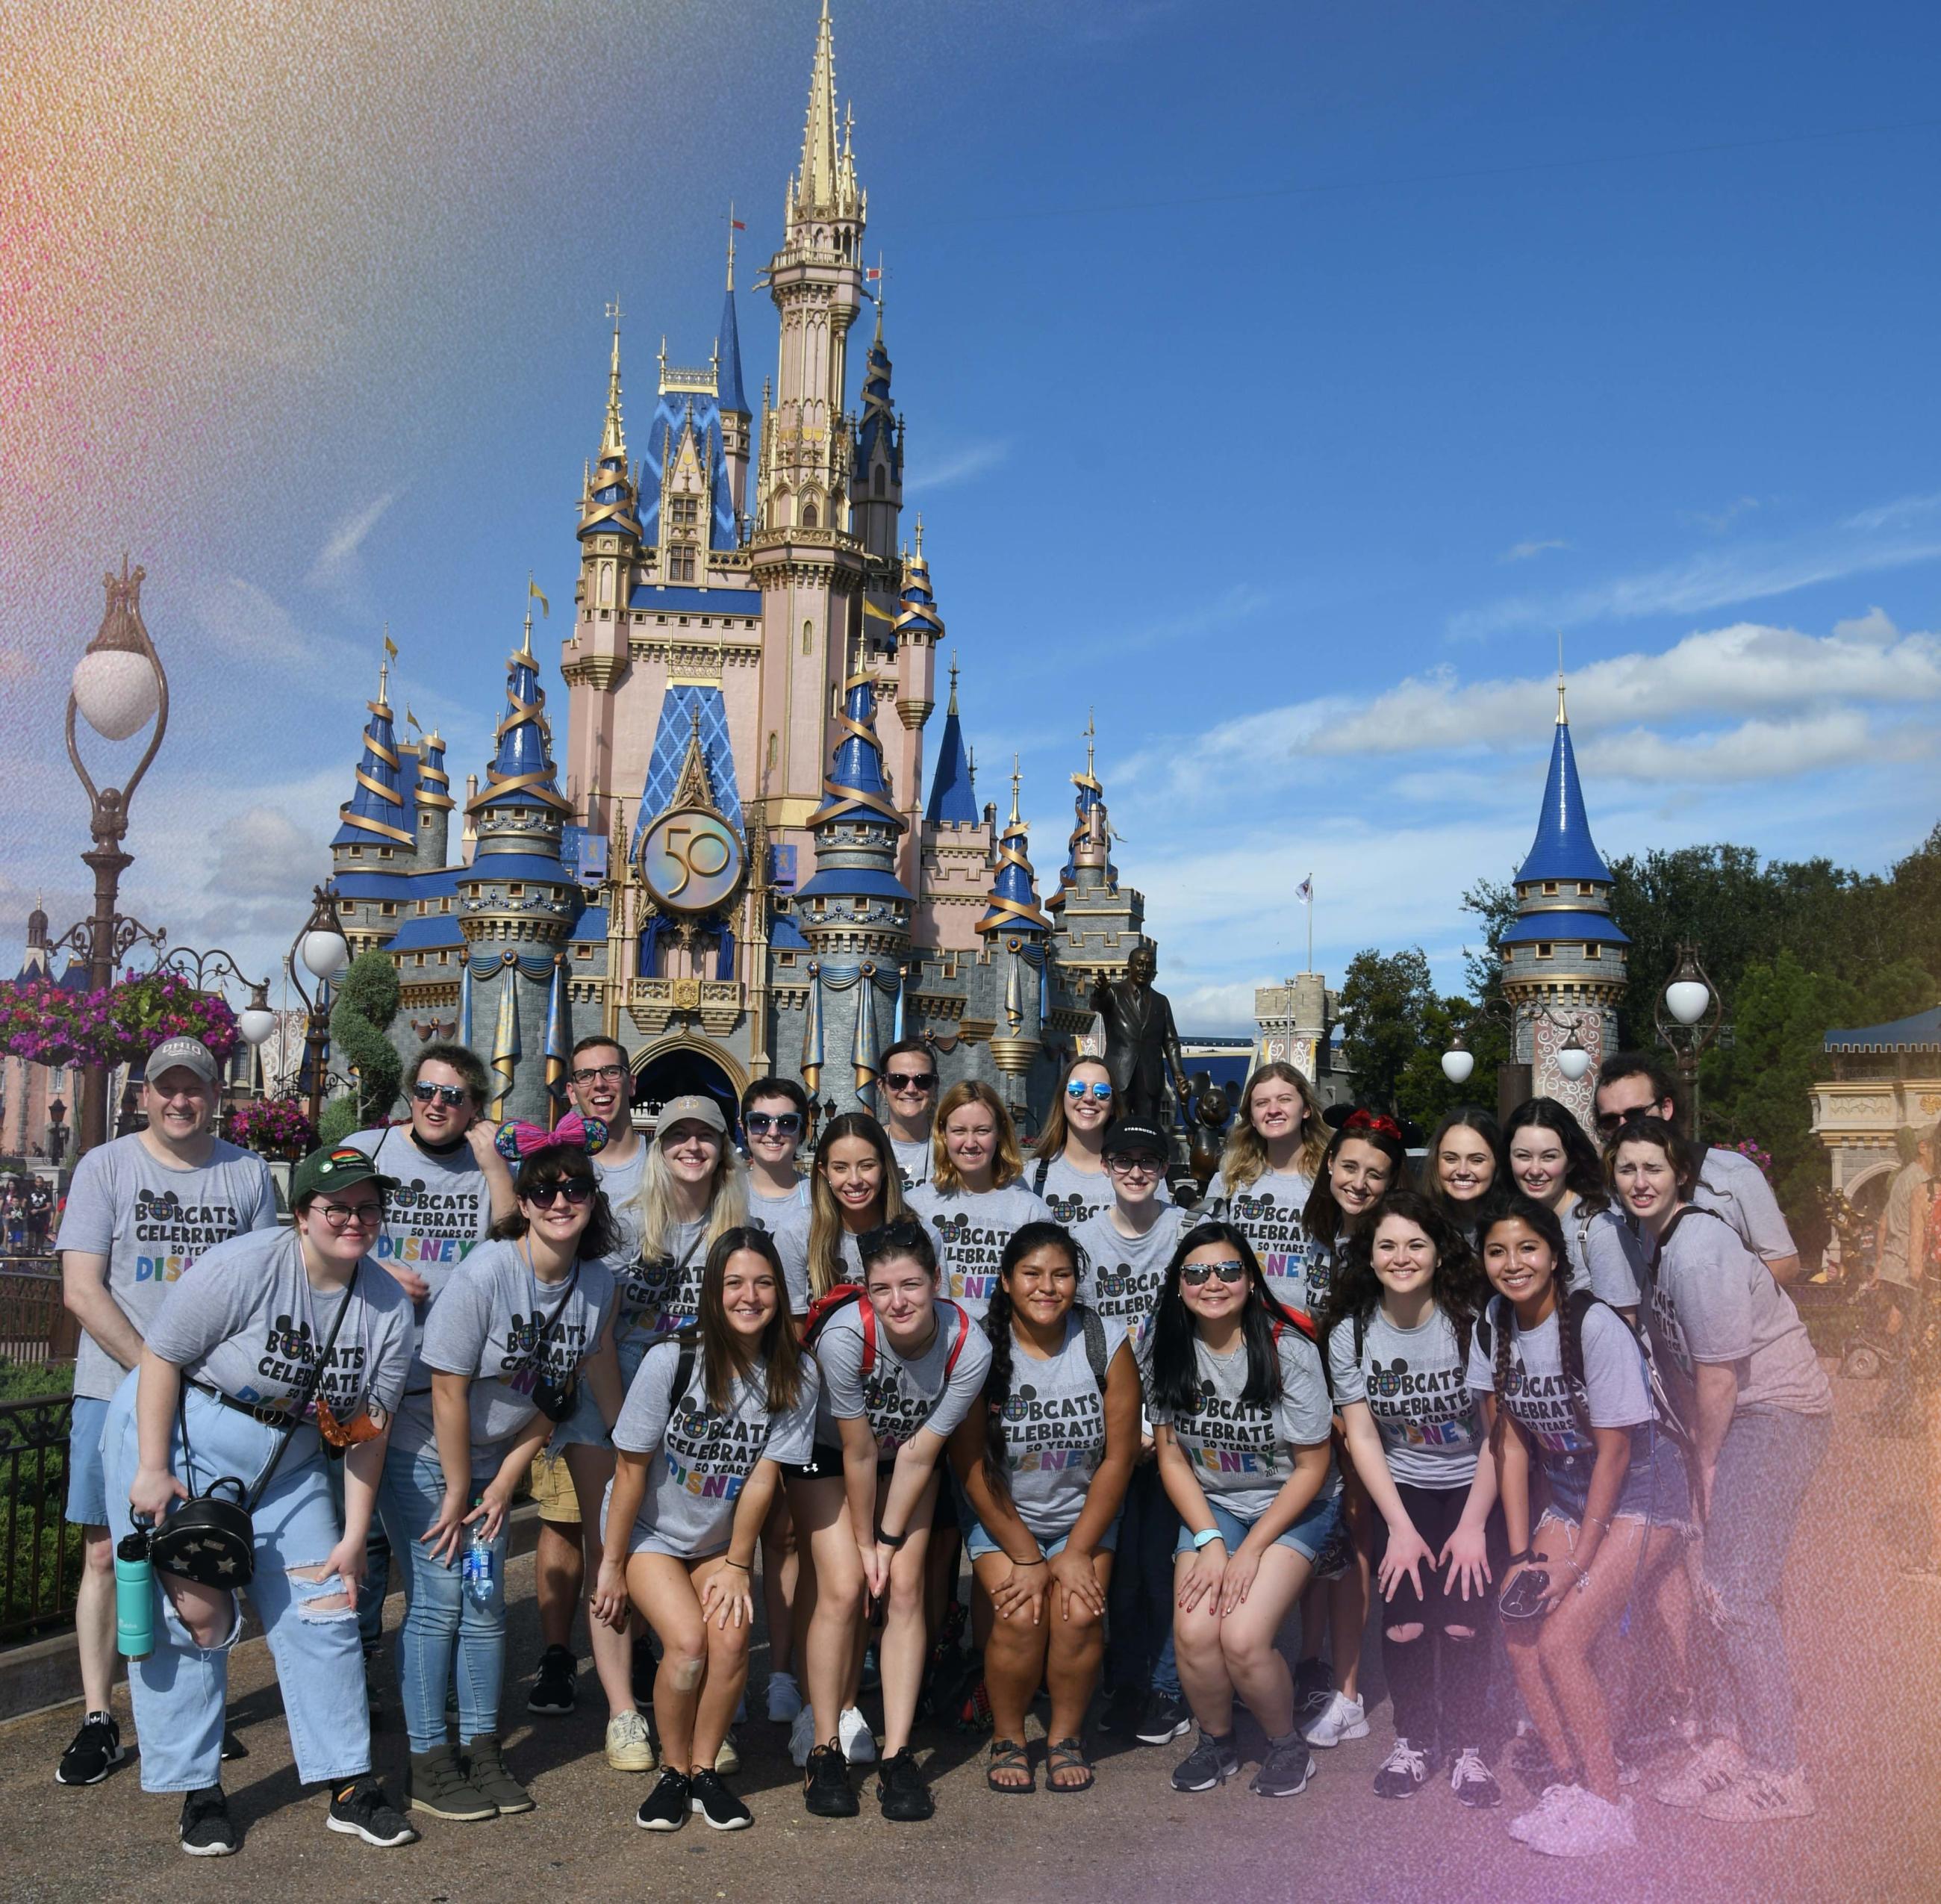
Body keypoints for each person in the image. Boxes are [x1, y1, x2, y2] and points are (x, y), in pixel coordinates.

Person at [105, 1142, 417, 1855]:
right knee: (197, 1621)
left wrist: (355, 1536)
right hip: (188, 1438)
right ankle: (199, 1788)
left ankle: (348, 1782)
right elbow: (162, 1356)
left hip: (289, 1461)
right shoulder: (249, 1263)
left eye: (368, 1207)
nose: (353, 1220)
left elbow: (369, 1428)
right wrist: (153, 1468)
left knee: (327, 1607)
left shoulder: (387, 1305)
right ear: (303, 1213)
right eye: (336, 1206)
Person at [380, 1122, 623, 1821]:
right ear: (522, 1200)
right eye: (543, 1189)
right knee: (439, 1601)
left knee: (484, 1606)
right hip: (427, 1458)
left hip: (492, 1465)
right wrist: (461, 1488)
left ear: (591, 1200)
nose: (559, 1201)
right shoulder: (488, 1271)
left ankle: (482, 1751)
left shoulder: (595, 1284)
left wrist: (504, 1478)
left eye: (574, 1187)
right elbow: (449, 1387)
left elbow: (558, 1393)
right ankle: (428, 1762)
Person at [56, 1035, 278, 1788]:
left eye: (195, 1089)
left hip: (214, 1404)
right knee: (106, 1555)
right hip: (112, 1386)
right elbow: (82, 1290)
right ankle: (98, 1713)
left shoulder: (247, 1174)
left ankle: (194, 1716)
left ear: (216, 1096)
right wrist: (158, 1369)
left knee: (200, 1555)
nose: (180, 1100)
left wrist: (203, 1380)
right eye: (166, 1088)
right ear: (143, 1094)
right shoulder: (106, 1167)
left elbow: (266, 1293)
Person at [1611, 1117, 1832, 1823]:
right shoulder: (1653, 1242)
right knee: (1716, 1587)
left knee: (1738, 1591)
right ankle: (1733, 1743)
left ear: (1679, 1172)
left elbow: (1719, 1376)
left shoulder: (1699, 1247)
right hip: (1738, 1418)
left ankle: (1780, 1772)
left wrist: (1705, 1463)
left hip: (1775, 1412)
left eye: (1653, 1167)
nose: (1640, 1181)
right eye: (1626, 1169)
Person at [1469, 1195, 1690, 1858]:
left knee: (1564, 1640)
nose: (1514, 1264)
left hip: (1644, 1489)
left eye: (1529, 1249)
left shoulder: (1592, 1324)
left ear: (1557, 1256)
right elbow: (1507, 1447)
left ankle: (1608, 1800)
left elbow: (1618, 1451)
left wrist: (1576, 1562)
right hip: (1569, 1489)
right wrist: (1519, 1554)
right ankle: (1570, 1780)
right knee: (1518, 1623)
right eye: (1498, 1252)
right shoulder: (1492, 1324)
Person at [592, 1228, 818, 1832]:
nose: (751, 1296)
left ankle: (703, 1772)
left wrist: (740, 1564)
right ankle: (673, 1771)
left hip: (720, 1540)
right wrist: (612, 1565)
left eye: (764, 1283)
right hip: (649, 1532)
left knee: (731, 1641)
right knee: (688, 1646)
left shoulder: (794, 1375)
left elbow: (765, 1481)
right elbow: (630, 1470)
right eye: (735, 1283)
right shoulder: (673, 1361)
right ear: (714, 1292)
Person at [549, 1092, 747, 1773]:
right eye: (676, 1137)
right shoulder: (623, 1228)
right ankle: (623, 1712)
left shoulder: (737, 1230)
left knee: (687, 1546)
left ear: (724, 1151)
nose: (691, 1147)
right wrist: (619, 1425)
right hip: (611, 1403)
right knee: (612, 1549)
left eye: (705, 1137)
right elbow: (595, 1335)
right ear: (658, 1149)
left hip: (697, 1416)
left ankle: (689, 1702)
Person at [789, 1217, 993, 1823]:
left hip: (906, 1456)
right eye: (882, 1289)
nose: (898, 1301)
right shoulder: (847, 1338)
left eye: (911, 1284)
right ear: (866, 1291)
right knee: (847, 1586)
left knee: (905, 1586)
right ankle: (826, 1747)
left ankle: (898, 1754)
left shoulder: (968, 1343)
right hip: (831, 1456)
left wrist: (887, 1540)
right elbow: (854, 1451)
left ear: (936, 1280)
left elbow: (922, 1451)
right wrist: (865, 1544)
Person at [1149, 1222, 1341, 1799]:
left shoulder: (1289, 1349)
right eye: (1197, 1272)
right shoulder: (1167, 1344)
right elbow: (1172, 1457)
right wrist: (1211, 1541)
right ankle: (1218, 1740)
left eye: (1229, 1270)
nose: (1214, 1283)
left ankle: (1287, 1745)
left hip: (1294, 1503)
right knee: (1193, 1630)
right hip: (1217, 1504)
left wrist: (1250, 1552)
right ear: (1179, 1284)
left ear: (1251, 1281)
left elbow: (1311, 1469)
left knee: (1244, 1637)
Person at [1324, 1190, 1503, 1807]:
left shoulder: (1470, 1320)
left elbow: (1496, 1432)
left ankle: (1470, 1745)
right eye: (1388, 1246)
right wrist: (1397, 1526)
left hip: (1475, 1484)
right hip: (1401, 1489)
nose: (1402, 1257)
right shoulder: (1350, 1334)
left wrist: (1476, 1523)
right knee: (1402, 1626)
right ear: (1368, 1257)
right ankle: (1416, 1739)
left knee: (1460, 1623)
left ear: (1438, 1252)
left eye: (1416, 1244)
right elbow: (1364, 1434)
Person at [949, 1222, 1138, 1793]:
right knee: (1019, 1615)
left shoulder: (1104, 1339)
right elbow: (972, 1468)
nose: (1047, 1287)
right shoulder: (980, 1348)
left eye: (1061, 1275)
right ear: (1006, 1281)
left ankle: (1064, 1737)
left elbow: (1120, 1456)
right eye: (1032, 1274)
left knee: (1079, 1616)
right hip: (1006, 1517)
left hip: (1084, 1514)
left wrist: (1078, 1549)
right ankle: (1008, 1736)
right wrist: (1027, 1554)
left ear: (1077, 1282)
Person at [346, 1042, 515, 1682]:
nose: (435, 1104)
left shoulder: (486, 1164)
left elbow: (513, 1248)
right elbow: (308, 1231)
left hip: (444, 1397)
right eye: (425, 1090)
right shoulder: (369, 1150)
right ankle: (358, 1673)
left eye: (452, 1095)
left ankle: (434, 1675)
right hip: (368, 1383)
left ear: (475, 1106)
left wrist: (495, 1166)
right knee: (362, 1542)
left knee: (437, 1547)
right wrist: (373, 1267)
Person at [770, 1110, 908, 1737]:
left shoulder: (910, 1234)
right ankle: (811, 1705)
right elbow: (789, 1342)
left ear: (886, 1167)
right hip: (820, 1432)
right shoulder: (802, 1236)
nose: (855, 1180)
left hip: (892, 1434)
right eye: (841, 1167)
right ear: (821, 1172)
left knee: (873, 1585)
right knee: (839, 1580)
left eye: (867, 1165)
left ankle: (845, 1707)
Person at [527, 1035, 642, 1723]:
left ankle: (635, 1651)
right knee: (565, 1520)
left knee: (634, 1525)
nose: (600, 1086)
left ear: (630, 1082)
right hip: (573, 1370)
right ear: (570, 1089)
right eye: (586, 1077)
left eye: (611, 1074)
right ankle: (554, 1655)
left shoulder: (659, 1164)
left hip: (646, 1368)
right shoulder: (556, 1164)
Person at [1069, 1119, 1191, 1746]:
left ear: (1164, 1168)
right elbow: (1084, 1335)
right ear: (1108, 1166)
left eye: (1149, 1160)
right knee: (1120, 1569)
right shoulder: (1083, 1242)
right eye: (1124, 1159)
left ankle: (1170, 1688)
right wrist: (1124, 1425)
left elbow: (1202, 1332)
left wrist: (1158, 1421)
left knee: (1164, 1563)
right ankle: (1126, 1682)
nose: (1136, 1171)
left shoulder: (1187, 1233)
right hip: (1112, 1426)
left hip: (1175, 1421)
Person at [1292, 1110, 1410, 1752]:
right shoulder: (1316, 1233)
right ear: (1329, 1166)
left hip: (1365, 1414)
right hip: (1314, 1412)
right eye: (1350, 1167)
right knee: (1323, 1545)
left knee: (1356, 1543)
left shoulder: (1387, 1242)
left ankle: (1350, 1691)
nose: (1359, 1183)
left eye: (1375, 1174)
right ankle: (1314, 1667)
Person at [1592, 1052, 1801, 1282]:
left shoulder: (1732, 1174)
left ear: (1666, 1108)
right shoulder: (1607, 1192)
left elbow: (1785, 1264)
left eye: (1636, 1114)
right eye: (1610, 1121)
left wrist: (1710, 1296)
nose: (1624, 1127)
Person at [905, 1081, 1052, 1321]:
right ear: (943, 1133)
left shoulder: (1031, 1211)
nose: (970, 1143)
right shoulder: (915, 1206)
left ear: (1000, 1133)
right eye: (959, 1131)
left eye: (982, 1131)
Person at [1200, 1062, 1330, 1322]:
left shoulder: (1330, 1180)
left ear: (1305, 1109)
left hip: (1310, 1326)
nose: (1273, 1110)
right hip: (1245, 1324)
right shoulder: (1228, 1181)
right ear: (1250, 1114)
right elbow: (1209, 1253)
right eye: (1261, 1103)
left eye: (1284, 1100)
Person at [1503, 1096, 1645, 1314]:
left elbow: (1623, 1330)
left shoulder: (1602, 1232)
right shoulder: (1511, 1222)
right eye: (1523, 1156)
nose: (1534, 1169)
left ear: (1571, 1162)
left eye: (1549, 1157)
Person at [1029, 1052, 1155, 1229]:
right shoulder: (1031, 1177)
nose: (1089, 1098)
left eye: (1101, 1092)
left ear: (1112, 1105)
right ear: (1062, 1098)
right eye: (1076, 1089)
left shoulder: (1143, 1173)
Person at [1421, 1107, 1504, 1245]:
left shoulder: (1518, 1225)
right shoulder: (1420, 1224)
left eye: (1477, 1160)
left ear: (1497, 1163)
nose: (1462, 1171)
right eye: (1451, 1159)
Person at [741, 1076, 813, 1231]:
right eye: (759, 1121)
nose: (773, 1132)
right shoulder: (723, 1194)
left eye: (787, 1122)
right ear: (744, 1129)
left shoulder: (819, 1198)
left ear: (801, 1131)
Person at [876, 1037, 938, 1192]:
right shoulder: (870, 1144)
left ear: (935, 1086)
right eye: (898, 1080)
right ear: (882, 1087)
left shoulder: (951, 1147)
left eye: (922, 1080)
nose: (910, 1089)